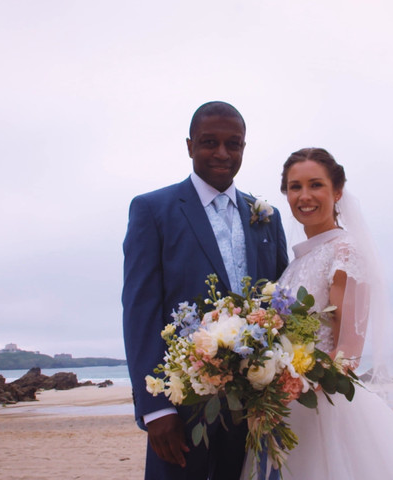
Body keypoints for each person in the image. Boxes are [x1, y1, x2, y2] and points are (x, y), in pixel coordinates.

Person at [248, 148, 393, 479]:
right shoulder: (297, 261)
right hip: (286, 407)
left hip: (322, 407)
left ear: (338, 191)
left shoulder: (344, 252)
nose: (304, 196)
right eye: (294, 187)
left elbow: (347, 355)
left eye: (316, 185)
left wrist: (293, 383)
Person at [122, 101, 289, 480]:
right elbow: (140, 312)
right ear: (189, 145)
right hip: (183, 409)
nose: (222, 153)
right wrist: (156, 409)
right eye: (209, 142)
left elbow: (279, 308)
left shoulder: (265, 216)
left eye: (234, 144)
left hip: (254, 409)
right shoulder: (153, 210)